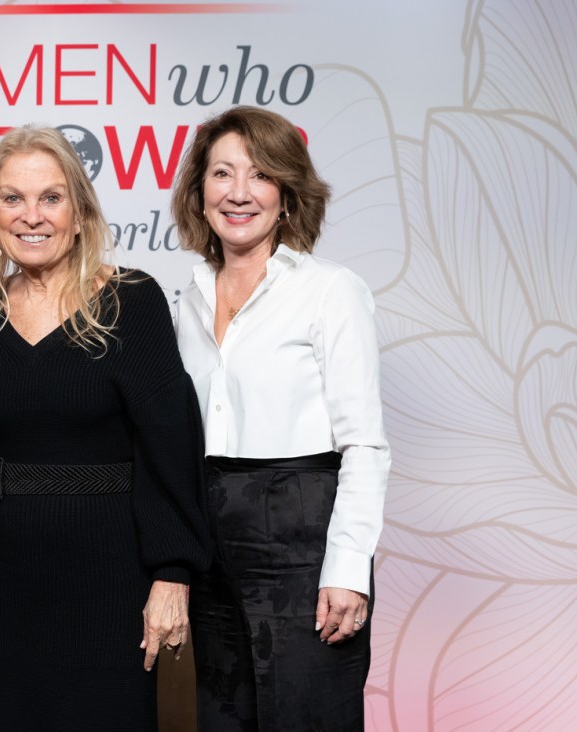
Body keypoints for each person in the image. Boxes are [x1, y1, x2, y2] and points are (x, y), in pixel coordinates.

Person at [0, 125, 211, 731]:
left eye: (51, 197)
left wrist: (172, 574)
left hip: (109, 577)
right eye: (11, 198)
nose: (30, 215)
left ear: (80, 213)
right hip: (4, 579)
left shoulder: (132, 300)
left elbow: (169, 443)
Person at [171, 106, 391, 730]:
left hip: (301, 533)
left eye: (261, 175)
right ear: (200, 191)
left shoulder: (331, 290)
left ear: (288, 194)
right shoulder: (184, 296)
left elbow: (365, 447)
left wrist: (348, 571)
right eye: (222, 174)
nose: (239, 193)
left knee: (308, 717)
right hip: (212, 536)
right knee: (224, 715)